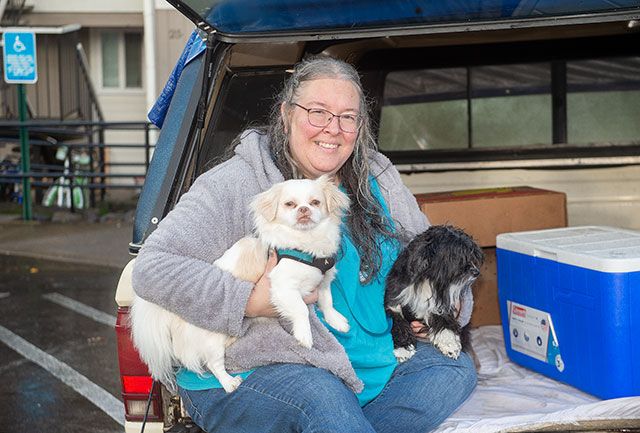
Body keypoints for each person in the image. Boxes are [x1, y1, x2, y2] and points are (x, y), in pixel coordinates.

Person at [132, 55, 477, 433]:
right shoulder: (236, 181)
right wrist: (248, 299)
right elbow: (153, 267)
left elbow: (434, 253)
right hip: (264, 366)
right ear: (286, 114)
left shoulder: (378, 176)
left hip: (373, 364)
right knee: (324, 405)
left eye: (348, 117)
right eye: (318, 112)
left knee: (454, 370)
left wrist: (445, 305)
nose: (333, 128)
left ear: (360, 126)